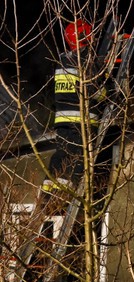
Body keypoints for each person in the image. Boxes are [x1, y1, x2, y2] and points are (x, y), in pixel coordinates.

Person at [43, 19, 106, 196]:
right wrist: (107, 85)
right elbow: (96, 93)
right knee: (79, 161)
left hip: (63, 121)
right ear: (86, 37)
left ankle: (48, 195)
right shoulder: (86, 61)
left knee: (60, 156)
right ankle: (63, 198)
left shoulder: (62, 60)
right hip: (82, 122)